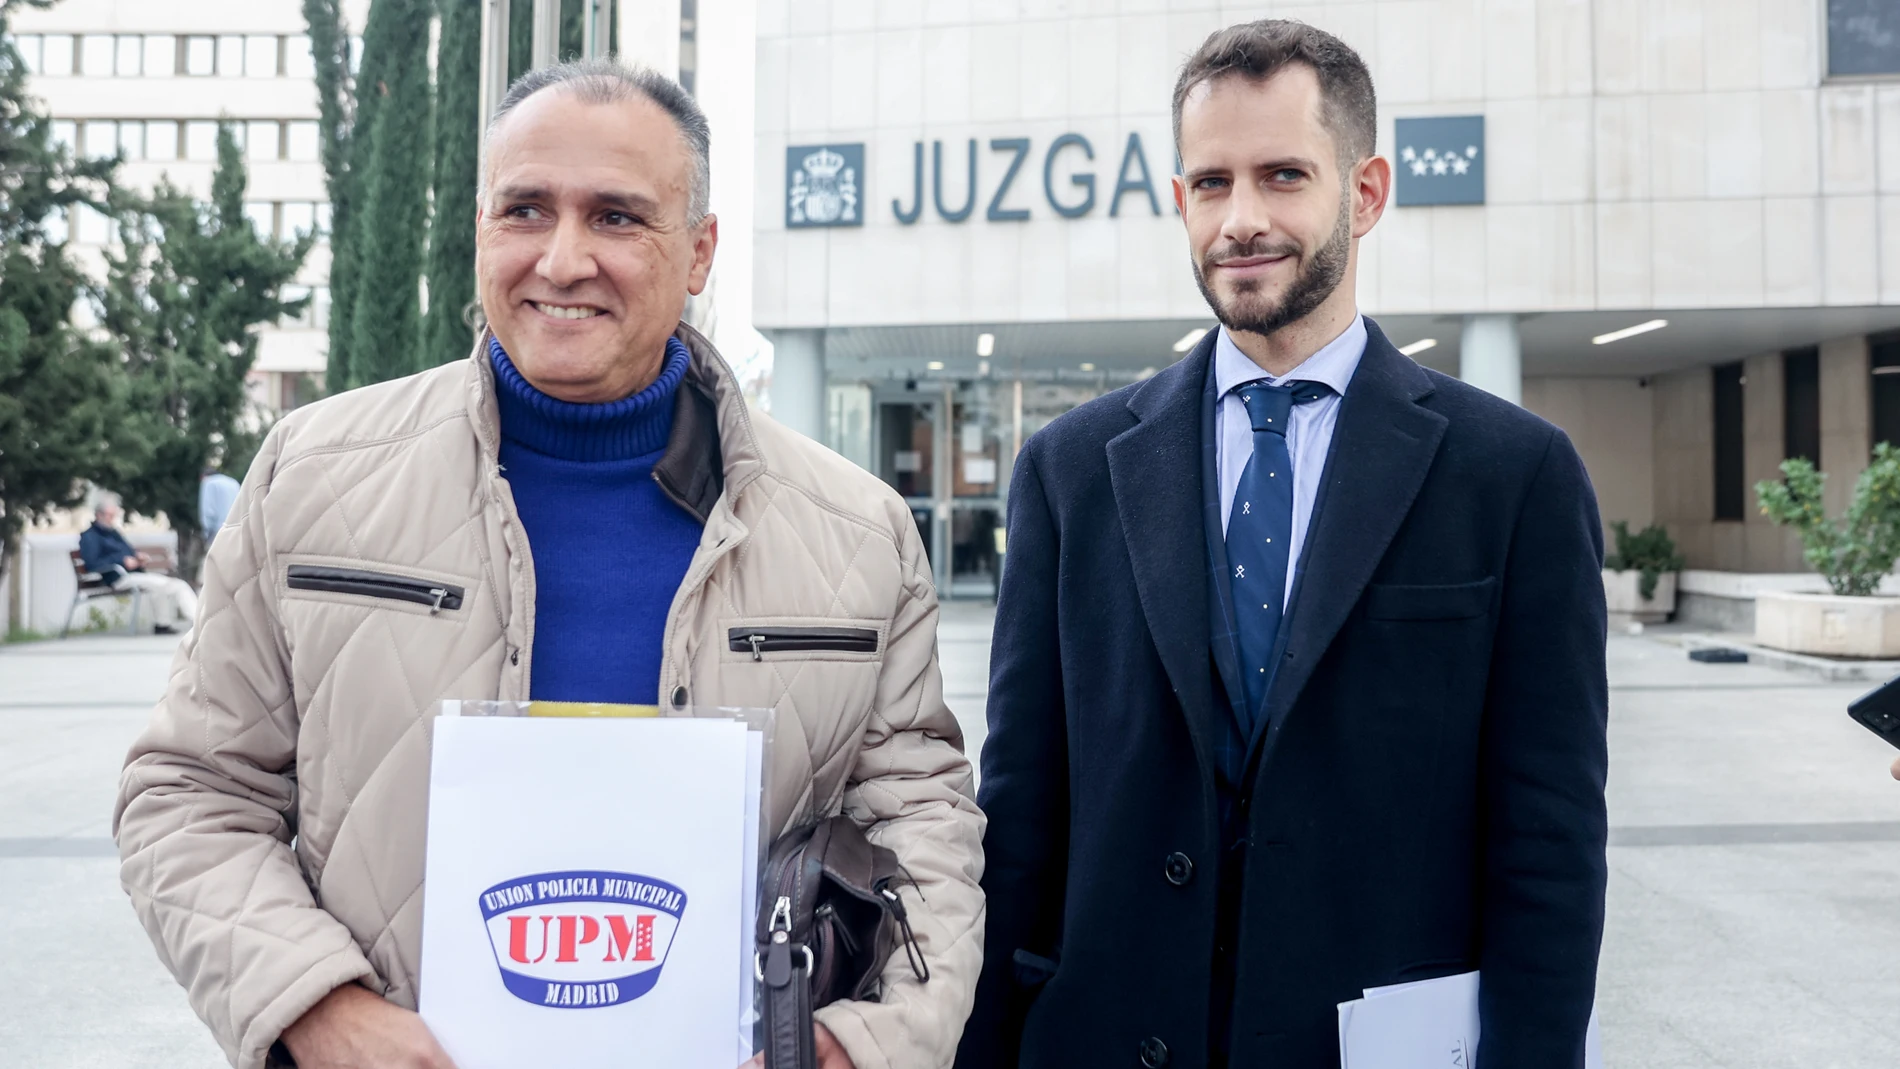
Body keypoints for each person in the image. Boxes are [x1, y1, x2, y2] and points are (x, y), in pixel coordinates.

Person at [115, 61, 983, 1069]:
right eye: (525, 209)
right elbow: (187, 792)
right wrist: (317, 1007)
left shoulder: (855, 532)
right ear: (481, 227)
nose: (563, 259)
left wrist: (854, 1046)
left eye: (616, 217)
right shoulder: (313, 478)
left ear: (699, 251)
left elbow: (926, 832)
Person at [959, 20, 1606, 1069]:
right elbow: (1021, 817)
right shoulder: (1070, 471)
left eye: (1283, 175)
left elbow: (1548, 844)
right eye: (1210, 183)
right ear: (1179, 202)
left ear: (1365, 191)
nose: (1241, 219)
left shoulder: (1513, 476)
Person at [77, 492, 197, 633]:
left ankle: (162, 625)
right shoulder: (90, 537)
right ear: (99, 515)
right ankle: (201, 623)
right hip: (117, 577)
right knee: (178, 586)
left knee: (163, 587)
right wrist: (122, 562)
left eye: (114, 515)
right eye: (110, 515)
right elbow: (92, 563)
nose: (112, 519)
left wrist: (137, 558)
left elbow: (128, 552)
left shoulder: (113, 533)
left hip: (132, 574)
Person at [198, 467, 240, 545]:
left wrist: (206, 532)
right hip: (237, 530)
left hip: (218, 531)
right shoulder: (233, 482)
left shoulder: (208, 482)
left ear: (203, 476)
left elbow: (208, 509)